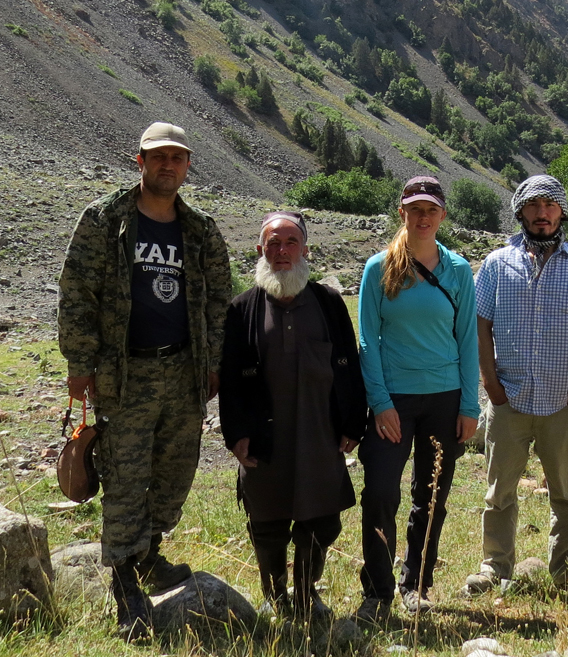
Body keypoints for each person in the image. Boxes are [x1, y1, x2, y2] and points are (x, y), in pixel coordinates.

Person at [57, 122, 232, 641]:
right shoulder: (105, 219)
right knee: (126, 477)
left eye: (177, 158)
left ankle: (150, 553)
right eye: (159, 157)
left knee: (176, 471)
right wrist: (79, 362)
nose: (168, 166)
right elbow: (76, 291)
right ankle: (125, 585)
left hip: (184, 372)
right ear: (140, 161)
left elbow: (220, 298)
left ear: (187, 165)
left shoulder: (199, 230)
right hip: (123, 372)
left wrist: (214, 362)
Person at [219, 211, 368, 622]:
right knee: (266, 521)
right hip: (265, 437)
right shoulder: (242, 310)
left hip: (319, 432)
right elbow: (231, 381)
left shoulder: (328, 303)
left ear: (305, 249)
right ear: (260, 250)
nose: (281, 251)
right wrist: (236, 434)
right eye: (273, 243)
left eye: (290, 243)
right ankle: (274, 595)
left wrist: (354, 422)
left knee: (321, 520)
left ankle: (306, 594)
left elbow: (348, 365)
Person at [463, 175, 568, 595]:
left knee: (567, 492)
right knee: (499, 492)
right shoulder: (496, 264)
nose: (542, 214)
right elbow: (480, 325)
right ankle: (495, 568)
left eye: (550, 205)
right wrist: (491, 383)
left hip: (564, 398)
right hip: (509, 398)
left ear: (562, 211)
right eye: (533, 205)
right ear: (520, 211)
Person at [356, 176, 480, 620]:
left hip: (445, 399)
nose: (423, 217)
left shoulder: (460, 270)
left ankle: (417, 582)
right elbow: (367, 341)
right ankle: (378, 590)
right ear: (402, 213)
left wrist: (470, 405)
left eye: (431, 210)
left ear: (443, 215)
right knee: (380, 492)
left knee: (431, 496)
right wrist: (381, 402)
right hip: (395, 400)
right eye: (415, 209)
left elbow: (467, 341)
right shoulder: (378, 268)